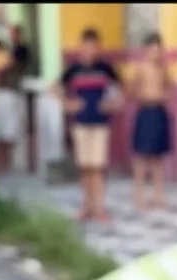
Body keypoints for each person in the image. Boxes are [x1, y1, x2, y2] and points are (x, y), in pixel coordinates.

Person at [53, 28, 123, 222]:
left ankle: (99, 208)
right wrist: (67, 104)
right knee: (85, 167)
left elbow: (121, 89)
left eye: (94, 47)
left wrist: (112, 104)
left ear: (99, 48)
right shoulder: (74, 69)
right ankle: (85, 207)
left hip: (101, 124)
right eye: (87, 46)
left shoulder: (105, 69)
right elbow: (54, 88)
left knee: (98, 167)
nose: (90, 51)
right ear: (81, 47)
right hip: (81, 123)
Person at [129, 32, 173, 210]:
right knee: (142, 157)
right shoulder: (140, 69)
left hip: (159, 112)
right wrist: (144, 96)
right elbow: (131, 90)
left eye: (159, 50)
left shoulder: (163, 69)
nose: (157, 53)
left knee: (158, 157)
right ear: (146, 50)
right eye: (153, 50)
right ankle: (139, 197)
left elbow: (171, 87)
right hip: (145, 112)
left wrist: (164, 95)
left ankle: (158, 196)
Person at [0, 35, 26, 175]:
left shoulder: (6, 64)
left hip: (8, 98)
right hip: (0, 98)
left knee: (7, 133)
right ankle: (0, 164)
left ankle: (5, 164)